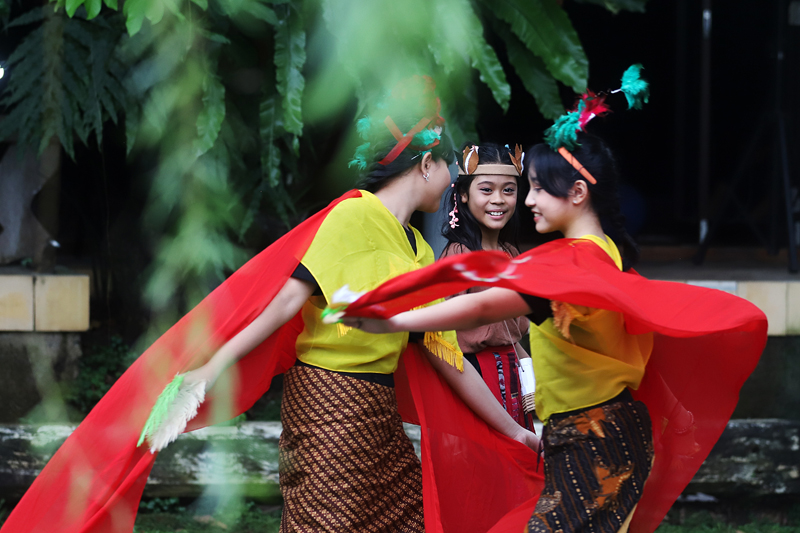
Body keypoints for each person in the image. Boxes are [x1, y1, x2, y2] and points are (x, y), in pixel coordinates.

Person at [0, 76, 540, 533]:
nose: (451, 180)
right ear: (425, 165)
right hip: (328, 407)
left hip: (377, 420)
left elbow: (446, 357)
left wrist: (514, 431)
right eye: (448, 167)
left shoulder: (418, 249)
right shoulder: (351, 218)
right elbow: (284, 304)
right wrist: (205, 371)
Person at [338, 130, 767, 532]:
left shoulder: (567, 265)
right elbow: (630, 339)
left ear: (578, 193)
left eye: (537, 188)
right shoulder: (605, 254)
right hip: (606, 433)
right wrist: (676, 410)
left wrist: (393, 319)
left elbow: (485, 305)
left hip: (591, 438)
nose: (526, 200)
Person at [440, 142, 534, 430]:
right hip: (475, 379)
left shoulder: (512, 255)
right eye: (486, 189)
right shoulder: (459, 256)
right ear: (464, 195)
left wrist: (529, 373)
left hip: (513, 377)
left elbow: (510, 335)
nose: (499, 199)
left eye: (508, 190)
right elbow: (442, 338)